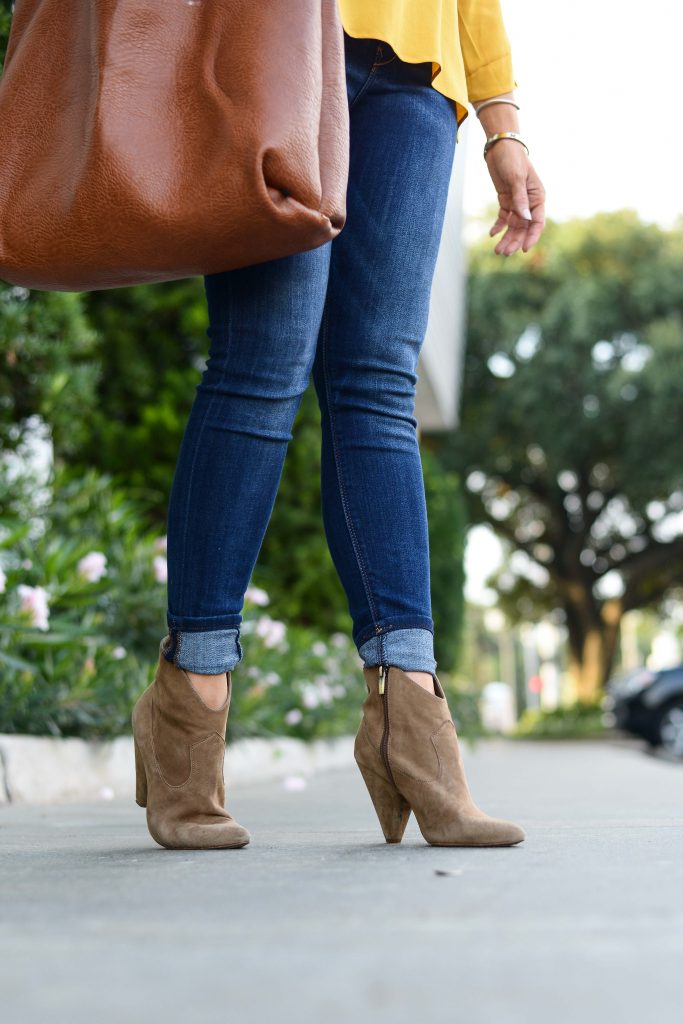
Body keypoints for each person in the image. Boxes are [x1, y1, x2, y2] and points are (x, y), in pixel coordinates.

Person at [132, 0, 546, 850]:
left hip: (420, 81)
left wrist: (503, 123)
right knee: (261, 367)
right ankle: (193, 695)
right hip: (271, 40)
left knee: (379, 387)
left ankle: (410, 708)